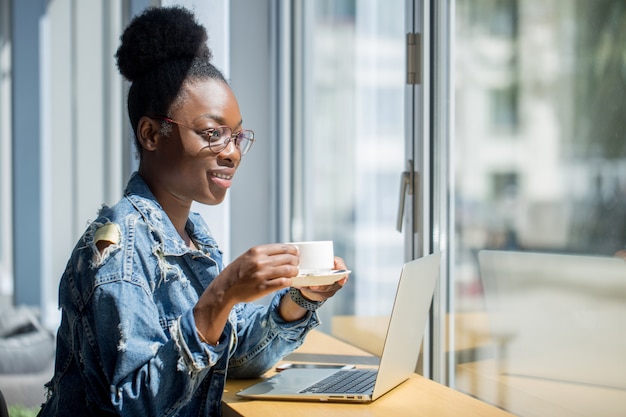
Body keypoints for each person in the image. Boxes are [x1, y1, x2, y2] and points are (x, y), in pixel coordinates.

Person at [38, 6, 348, 417]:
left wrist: (298, 299)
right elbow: (137, 406)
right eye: (213, 133)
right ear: (151, 133)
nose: (233, 153)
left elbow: (228, 359)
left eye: (237, 136)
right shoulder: (120, 250)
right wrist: (221, 294)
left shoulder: (191, 236)